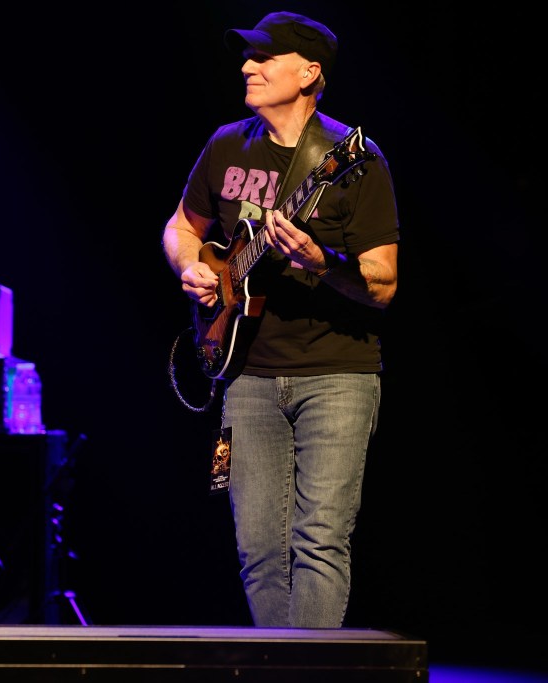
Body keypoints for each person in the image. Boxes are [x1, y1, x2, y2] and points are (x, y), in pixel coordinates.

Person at [161, 11, 400, 628]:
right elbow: (183, 226)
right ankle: (277, 662)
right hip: (245, 374)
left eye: (264, 58)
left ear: (309, 73)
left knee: (320, 541)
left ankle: (312, 670)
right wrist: (193, 267)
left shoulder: (354, 160)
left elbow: (383, 284)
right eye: (248, 57)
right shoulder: (225, 145)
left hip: (337, 374)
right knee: (259, 551)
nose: (247, 67)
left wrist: (323, 262)